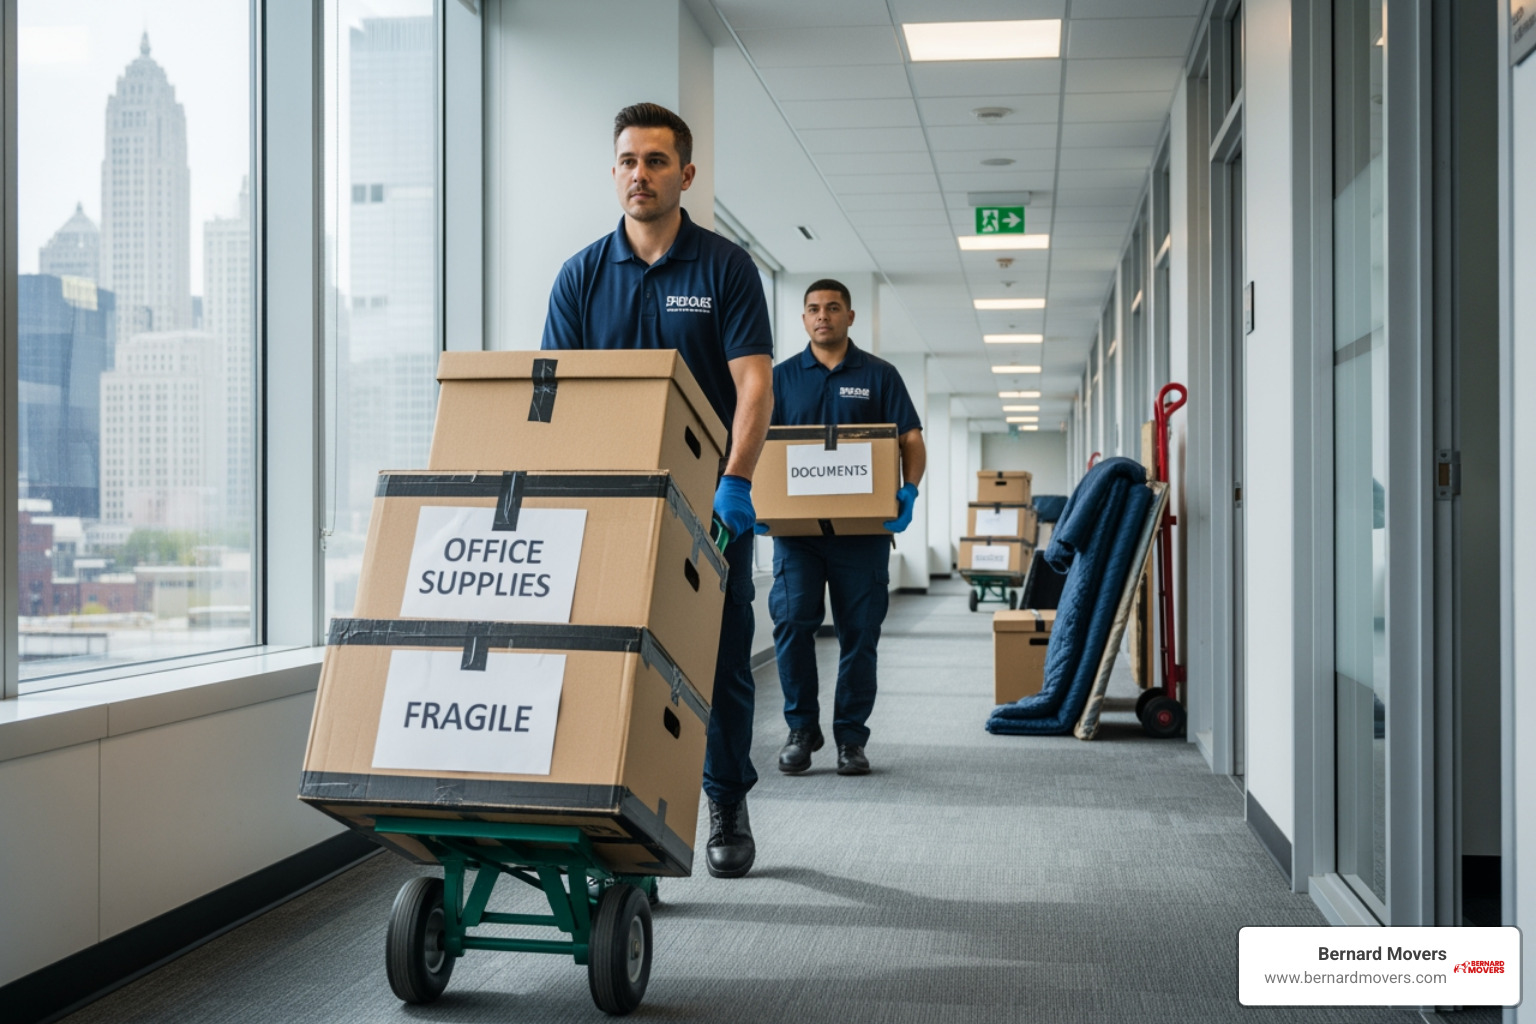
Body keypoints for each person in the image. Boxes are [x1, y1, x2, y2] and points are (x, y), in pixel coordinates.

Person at [541, 102, 773, 879]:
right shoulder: (579, 275)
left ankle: (726, 801)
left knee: (717, 662)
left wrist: (736, 480)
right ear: (614, 171)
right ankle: (634, 826)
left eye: (656, 161)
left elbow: (754, 385)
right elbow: (558, 397)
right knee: (614, 663)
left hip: (711, 507)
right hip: (611, 506)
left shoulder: (725, 268)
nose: (640, 174)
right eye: (628, 161)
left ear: (686, 174)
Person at [767, 280, 925, 776]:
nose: (823, 316)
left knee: (860, 633)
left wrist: (910, 489)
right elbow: (759, 444)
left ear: (850, 316)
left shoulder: (879, 375)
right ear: (803, 318)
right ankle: (801, 729)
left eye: (833, 308)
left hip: (864, 535)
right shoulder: (781, 378)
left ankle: (850, 740)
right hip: (797, 538)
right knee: (793, 625)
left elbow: (910, 439)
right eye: (813, 309)